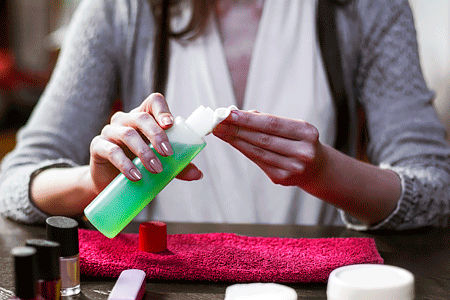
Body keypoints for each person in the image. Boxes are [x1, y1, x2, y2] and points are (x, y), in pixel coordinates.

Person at [1, 0, 450, 231]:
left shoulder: (366, 10)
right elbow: (14, 183)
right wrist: (98, 183)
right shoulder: (122, 10)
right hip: (164, 279)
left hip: (315, 282)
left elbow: (437, 189)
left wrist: (327, 172)